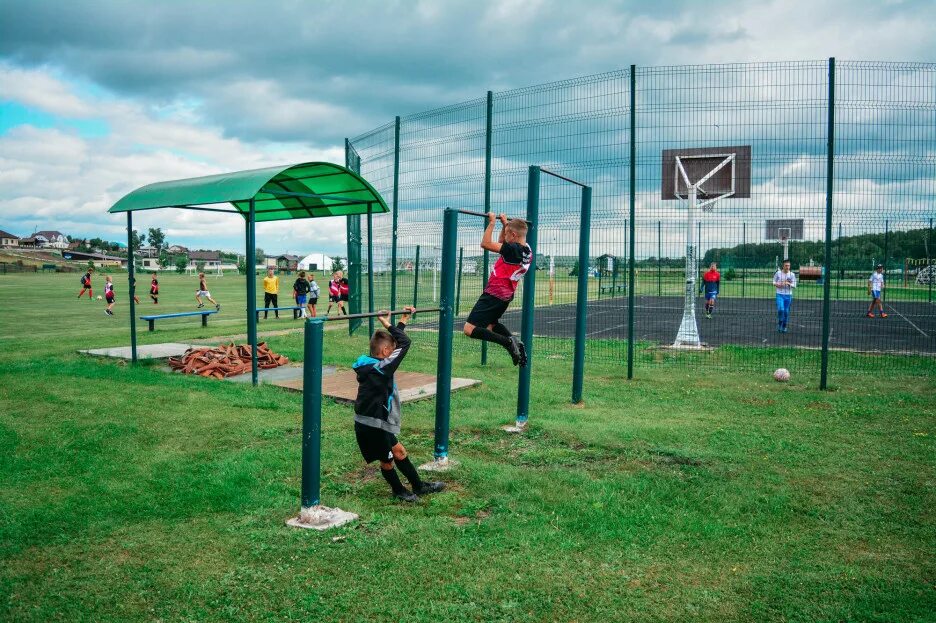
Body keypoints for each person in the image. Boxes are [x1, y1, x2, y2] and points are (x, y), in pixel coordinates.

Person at [353, 306, 444, 502]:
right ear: (385, 351)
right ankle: (398, 490)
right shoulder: (380, 368)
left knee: (399, 451)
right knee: (387, 460)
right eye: (391, 351)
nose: (394, 354)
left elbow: (397, 343)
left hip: (377, 421)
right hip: (372, 424)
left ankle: (418, 486)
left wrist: (403, 319)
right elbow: (404, 343)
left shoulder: (372, 363)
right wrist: (386, 323)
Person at [463, 212, 530, 366]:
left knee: (469, 329)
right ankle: (515, 343)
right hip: (506, 294)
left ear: (513, 235)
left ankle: (507, 342)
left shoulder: (513, 250)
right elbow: (503, 242)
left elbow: (485, 244)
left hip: (494, 293)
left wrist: (492, 222)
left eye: (507, 234)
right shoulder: (526, 249)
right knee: (491, 325)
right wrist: (505, 225)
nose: (505, 237)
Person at [773, 260, 797, 333]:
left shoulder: (792, 274)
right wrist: (778, 284)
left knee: (786, 312)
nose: (787, 267)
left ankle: (784, 326)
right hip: (779, 294)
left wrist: (788, 284)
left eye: (788, 266)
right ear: (783, 266)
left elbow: (794, 285)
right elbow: (773, 281)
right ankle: (780, 322)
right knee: (781, 309)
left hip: (788, 295)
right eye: (786, 265)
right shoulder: (778, 273)